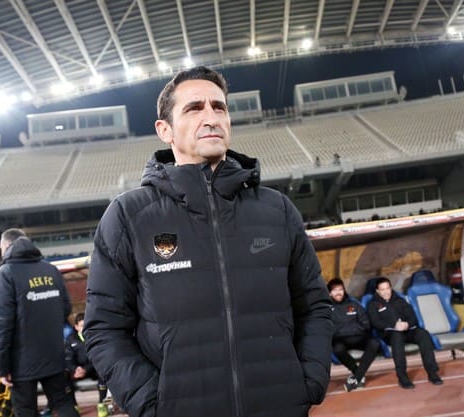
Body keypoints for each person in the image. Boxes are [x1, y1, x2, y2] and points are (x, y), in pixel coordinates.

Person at [85, 66, 333, 417]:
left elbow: (314, 307)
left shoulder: (276, 210)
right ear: (165, 130)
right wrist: (153, 404)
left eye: (219, 107)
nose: (211, 118)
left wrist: (308, 381)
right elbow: (104, 328)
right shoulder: (128, 215)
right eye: (194, 108)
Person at [0, 228, 79, 417]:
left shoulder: (6, 273)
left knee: (25, 410)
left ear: (6, 246)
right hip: (53, 353)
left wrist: (0, 367)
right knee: (62, 402)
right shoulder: (51, 270)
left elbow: (1, 324)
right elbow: (66, 308)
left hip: (21, 360)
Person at [367, 277, 442, 389]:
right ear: (377, 291)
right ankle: (402, 376)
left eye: (388, 288)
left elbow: (413, 317)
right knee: (397, 337)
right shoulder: (373, 304)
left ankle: (432, 372)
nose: (386, 292)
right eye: (382, 290)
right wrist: (394, 326)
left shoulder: (400, 300)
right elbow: (375, 322)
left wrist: (407, 324)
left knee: (423, 334)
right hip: (389, 334)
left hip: (406, 330)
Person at [326, 278, 381, 392]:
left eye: (340, 289)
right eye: (335, 290)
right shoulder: (326, 309)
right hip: (341, 340)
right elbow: (329, 329)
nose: (338, 292)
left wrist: (346, 329)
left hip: (360, 338)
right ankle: (358, 373)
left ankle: (357, 377)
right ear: (330, 293)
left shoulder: (354, 304)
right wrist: (348, 330)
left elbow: (366, 324)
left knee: (375, 343)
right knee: (337, 349)